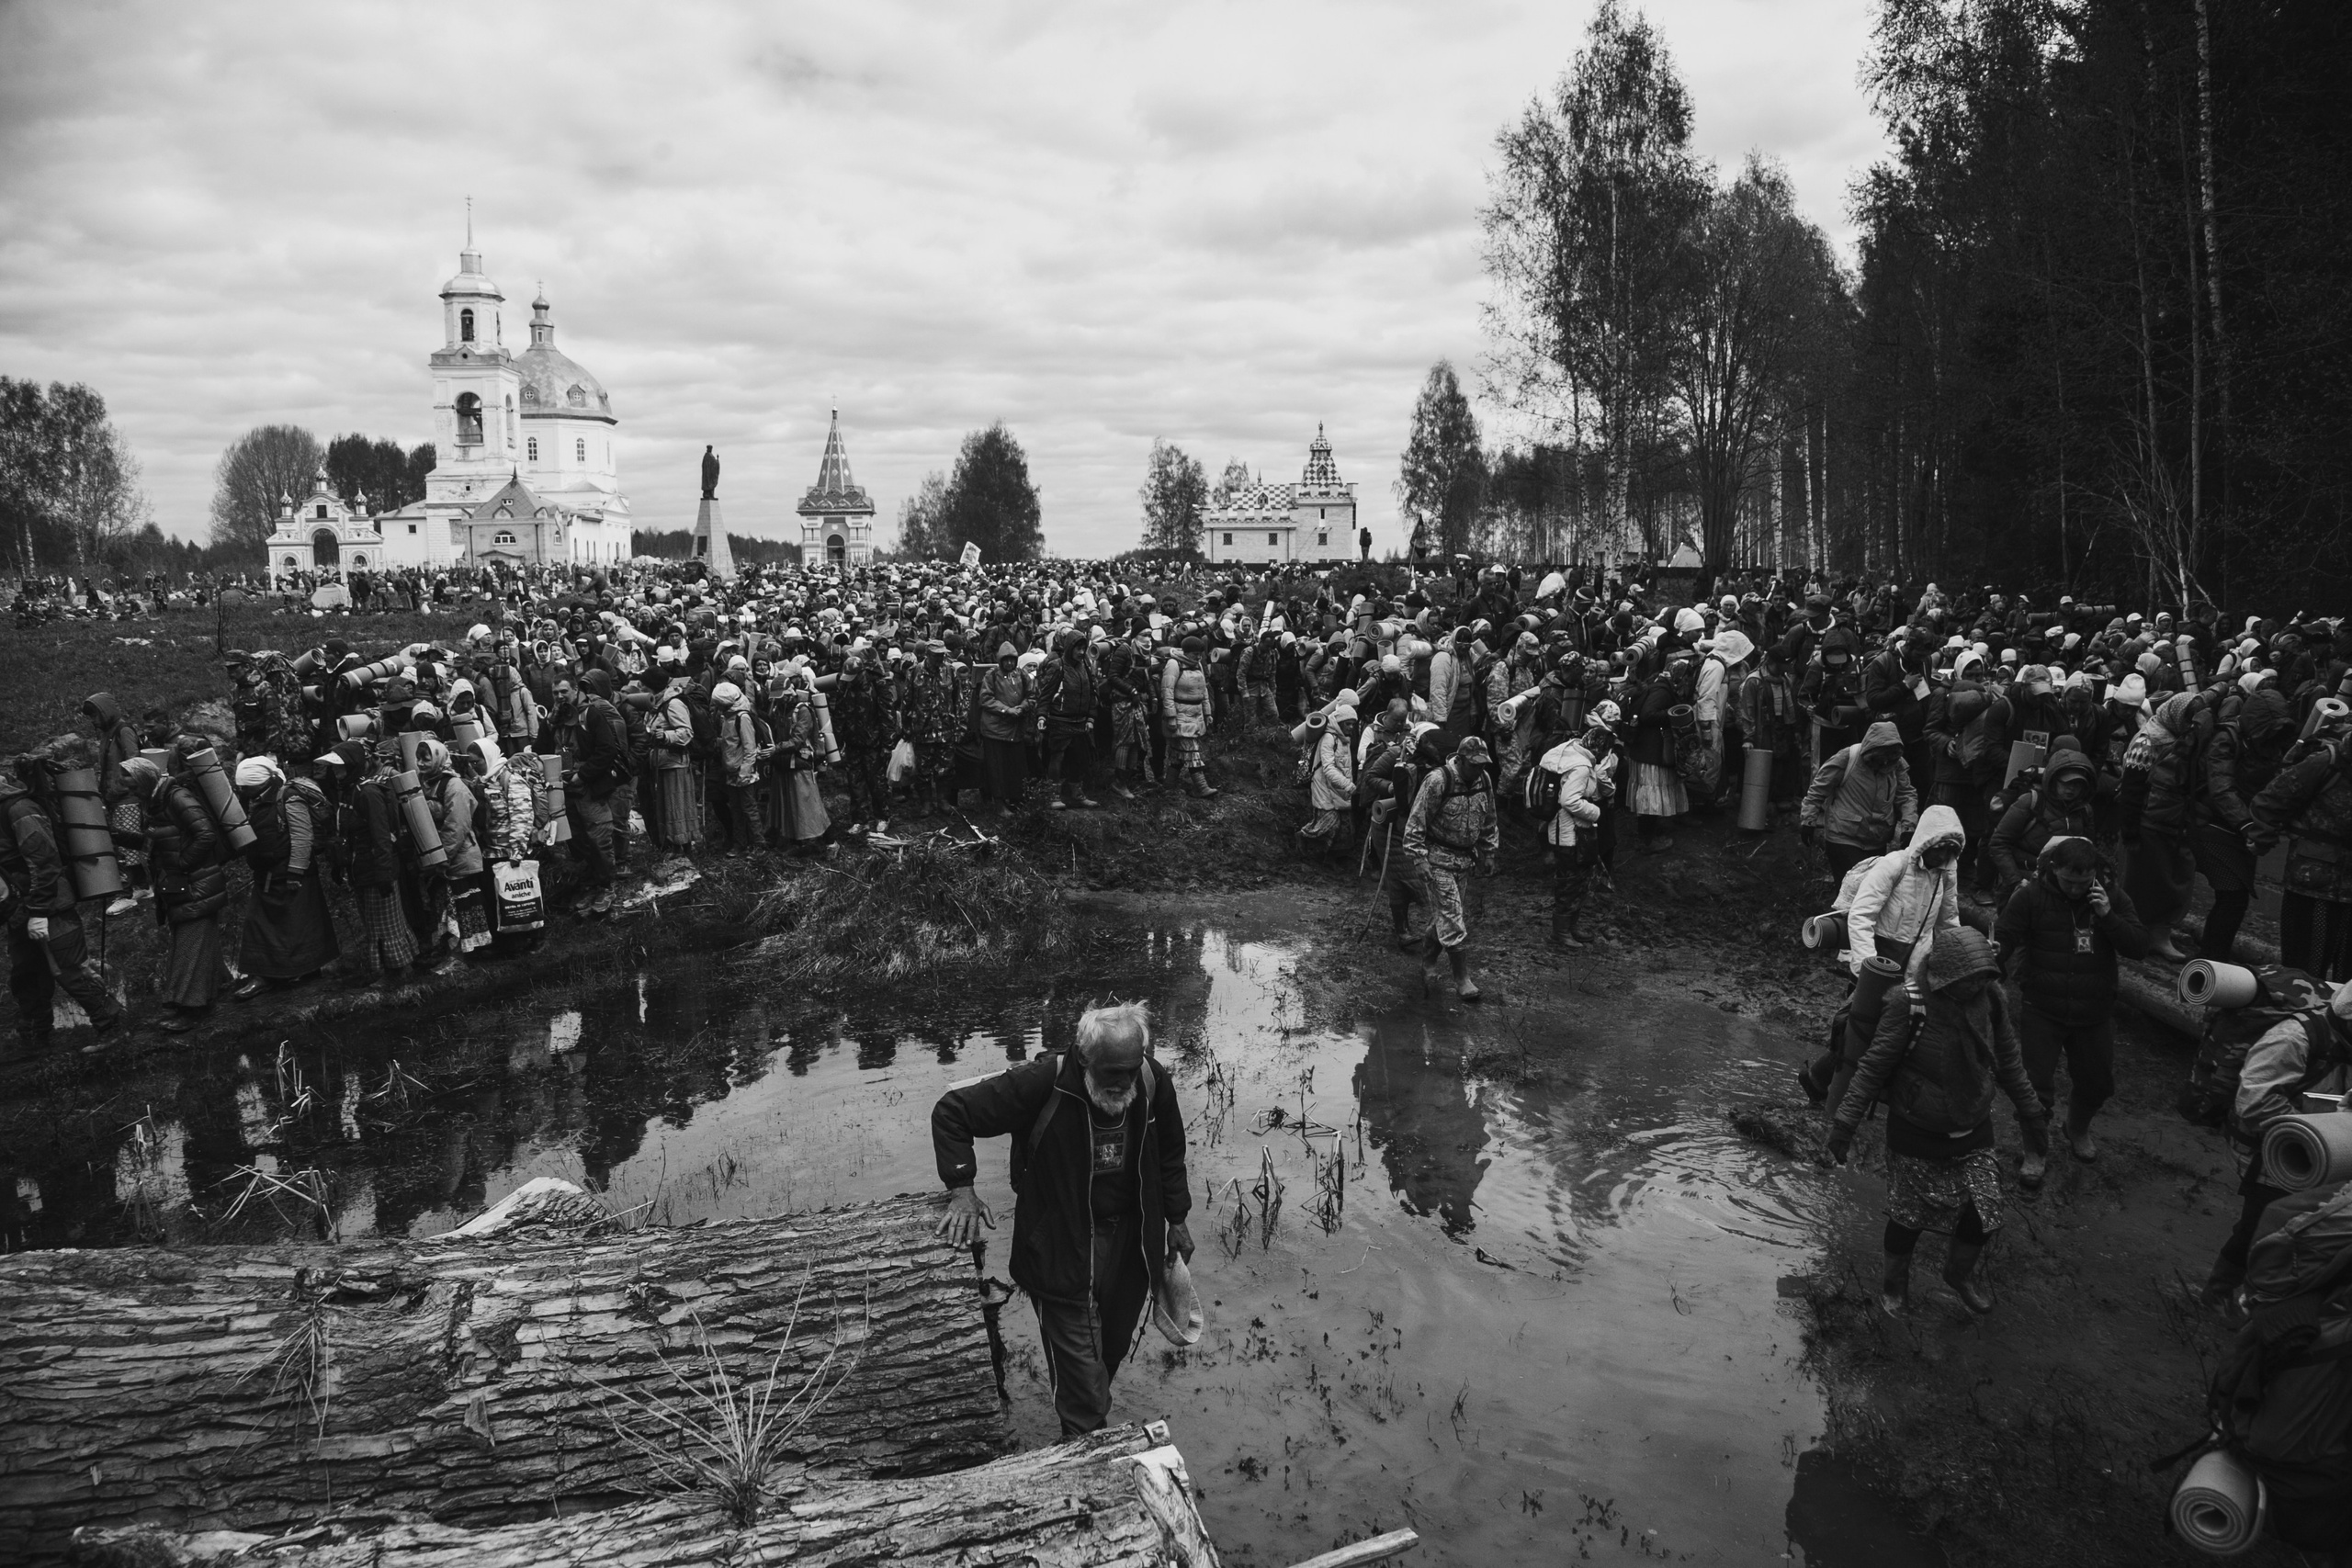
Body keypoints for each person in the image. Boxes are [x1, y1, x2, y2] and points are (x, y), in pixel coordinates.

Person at [931, 1000, 1193, 1437]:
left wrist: (1177, 1218)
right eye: (1112, 1072)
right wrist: (962, 1188)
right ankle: (1083, 1452)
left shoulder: (1151, 1080)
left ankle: (1082, 1428)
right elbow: (952, 1112)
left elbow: (1170, 1152)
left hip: (1129, 1249)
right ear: (1085, 1057)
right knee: (1086, 1392)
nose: (1123, 1083)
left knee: (1108, 1355)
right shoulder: (1042, 1082)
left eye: (1131, 1069)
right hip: (1059, 1248)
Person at [1823, 926, 2050, 1315]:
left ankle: (1958, 1274)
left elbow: (2009, 1061)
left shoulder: (1990, 999)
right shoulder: (1906, 1004)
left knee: (1986, 1207)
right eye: (1970, 979)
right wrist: (1844, 1126)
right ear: (1945, 977)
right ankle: (1894, 1286)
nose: (1977, 984)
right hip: (1916, 1129)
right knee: (1908, 1217)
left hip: (1973, 1122)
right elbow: (1874, 1067)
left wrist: (2031, 1113)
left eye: (1984, 977)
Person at [1994, 836, 2149, 1184]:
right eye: (2069, 882)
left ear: (2094, 873)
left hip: (2094, 1011)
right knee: (2034, 1087)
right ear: (2054, 870)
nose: (2077, 890)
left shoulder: (2111, 895)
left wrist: (2108, 917)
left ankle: (2077, 1129)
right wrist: (1990, 962)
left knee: (2097, 1083)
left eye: (2083, 882)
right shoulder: (2031, 896)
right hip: (2042, 1007)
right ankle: (2035, 1150)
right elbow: (2004, 937)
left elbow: (2139, 947)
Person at [1, 758, 122, 1055]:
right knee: (27, 976)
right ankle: (35, 1040)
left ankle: (113, 1028)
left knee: (71, 971)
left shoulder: (20, 811)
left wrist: (40, 913)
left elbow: (45, 862)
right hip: (20, 911)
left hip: (50, 908)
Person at [128, 751, 229, 1034]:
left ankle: (192, 1009)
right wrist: (120, 836)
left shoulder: (177, 798)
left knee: (191, 945)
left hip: (196, 883)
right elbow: (161, 840)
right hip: (182, 885)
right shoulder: (156, 801)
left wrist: (183, 863)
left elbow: (206, 834)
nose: (132, 793)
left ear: (146, 780)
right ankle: (199, 997)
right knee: (192, 941)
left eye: (134, 786)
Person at [1404, 734, 1498, 1001]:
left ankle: (1427, 962)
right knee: (1453, 919)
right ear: (1460, 759)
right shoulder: (1437, 781)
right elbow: (1415, 825)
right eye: (1474, 765)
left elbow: (1489, 819)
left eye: (1483, 765)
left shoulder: (1484, 780)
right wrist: (1419, 859)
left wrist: (1489, 852)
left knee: (1444, 917)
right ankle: (1462, 979)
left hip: (1464, 861)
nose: (1479, 770)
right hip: (1437, 860)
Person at [232, 754, 338, 993]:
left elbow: (302, 837)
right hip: (268, 874)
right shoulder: (258, 799)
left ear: (259, 783)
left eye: (245, 786)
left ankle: (299, 970)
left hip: (290, 874)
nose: (242, 790)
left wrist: (295, 873)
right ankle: (270, 974)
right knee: (264, 924)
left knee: (299, 924)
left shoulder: (289, 798)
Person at [1801, 720, 1921, 878]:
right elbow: (1818, 790)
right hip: (1843, 837)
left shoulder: (1897, 764)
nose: (1885, 763)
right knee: (1852, 889)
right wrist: (1808, 821)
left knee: (1871, 893)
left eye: (1889, 758)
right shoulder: (1847, 758)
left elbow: (1906, 796)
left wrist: (1908, 827)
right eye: (1881, 758)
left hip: (1877, 839)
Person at [1544, 709, 1618, 950]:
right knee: (1570, 882)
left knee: (1576, 880)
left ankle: (1570, 927)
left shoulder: (1568, 751)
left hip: (1560, 828)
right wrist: (1596, 812)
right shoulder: (1582, 767)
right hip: (1569, 833)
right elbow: (1570, 800)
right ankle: (1561, 932)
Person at [1160, 637, 1218, 799]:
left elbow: (1203, 690)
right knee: (1192, 750)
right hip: (1180, 714)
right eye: (1195, 654)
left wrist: (1207, 713)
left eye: (1200, 654)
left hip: (1195, 713)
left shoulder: (1197, 664)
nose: (1199, 658)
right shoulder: (1173, 664)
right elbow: (1167, 691)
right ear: (1186, 652)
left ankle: (1168, 786)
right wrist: (1171, 716)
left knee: (1178, 754)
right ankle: (1201, 787)